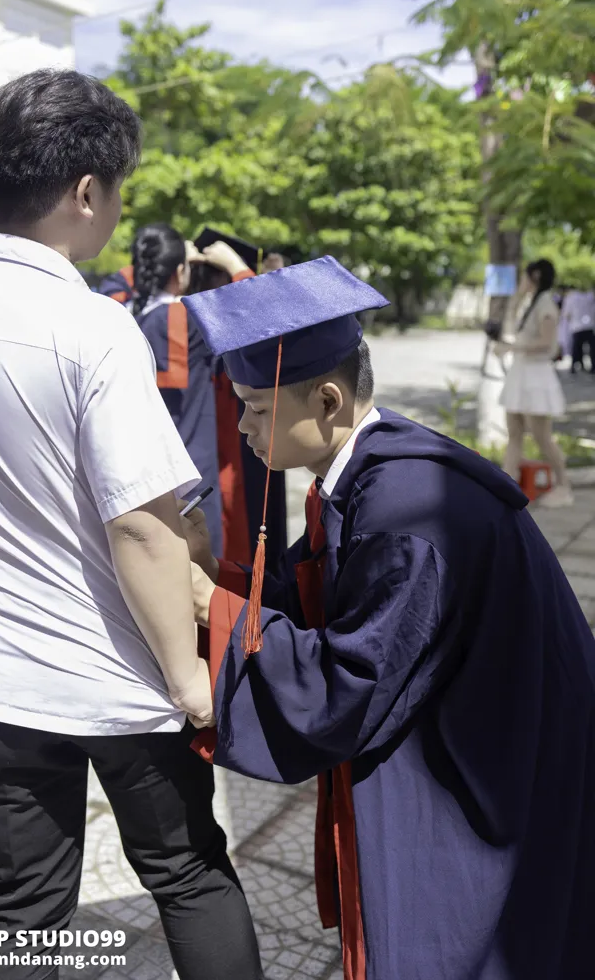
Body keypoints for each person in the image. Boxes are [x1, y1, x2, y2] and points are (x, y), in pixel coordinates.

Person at [0, 69, 262, 980]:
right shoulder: (93, 328)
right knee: (188, 873)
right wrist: (187, 674)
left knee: (22, 899)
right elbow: (142, 528)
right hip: (115, 671)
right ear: (87, 191)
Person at [179, 256, 595, 980]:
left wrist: (206, 605)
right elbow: (313, 593)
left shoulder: (406, 513)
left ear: (328, 400)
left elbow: (348, 681)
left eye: (255, 407)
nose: (241, 427)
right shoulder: (373, 466)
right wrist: (218, 574)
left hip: (501, 756)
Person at [131, 225, 252, 556]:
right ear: (180, 270)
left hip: (145, 467)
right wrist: (235, 266)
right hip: (192, 466)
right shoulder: (186, 316)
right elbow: (254, 310)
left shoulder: (127, 314)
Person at [186, 232, 288, 572]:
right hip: (232, 448)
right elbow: (266, 315)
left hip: (225, 447)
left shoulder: (185, 315)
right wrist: (239, 268)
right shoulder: (210, 320)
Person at [497, 259, 573, 508]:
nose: (522, 280)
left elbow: (547, 343)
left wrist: (512, 347)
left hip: (536, 377)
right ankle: (505, 486)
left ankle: (564, 486)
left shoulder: (545, 304)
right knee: (514, 433)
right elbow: (513, 325)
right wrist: (517, 298)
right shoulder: (532, 302)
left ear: (536, 276)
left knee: (542, 437)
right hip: (522, 374)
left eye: (526, 276)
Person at [562, 284, 595, 374]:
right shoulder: (589, 297)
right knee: (591, 349)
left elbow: (567, 314)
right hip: (589, 326)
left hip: (577, 327)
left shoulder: (570, 298)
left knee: (576, 348)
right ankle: (592, 367)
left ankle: (575, 366)